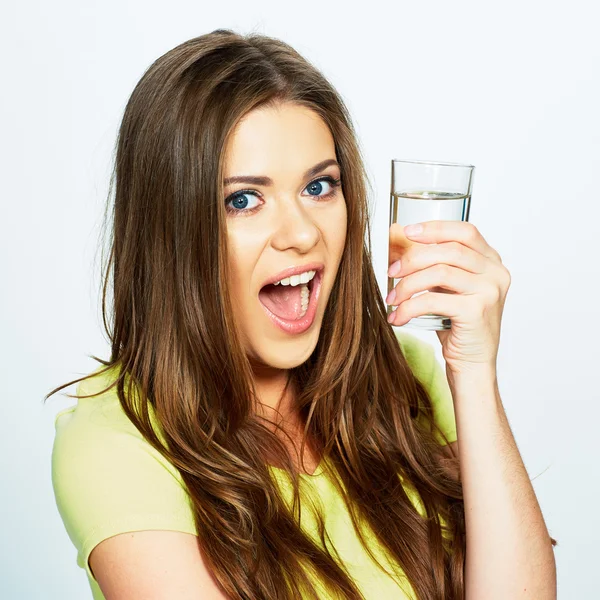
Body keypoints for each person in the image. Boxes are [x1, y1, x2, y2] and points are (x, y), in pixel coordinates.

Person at [47, 29, 556, 600]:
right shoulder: (114, 440)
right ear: (172, 234)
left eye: (319, 186)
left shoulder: (404, 373)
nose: (301, 233)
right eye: (243, 199)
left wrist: (474, 371)